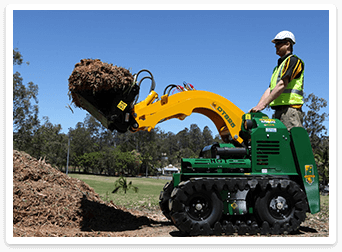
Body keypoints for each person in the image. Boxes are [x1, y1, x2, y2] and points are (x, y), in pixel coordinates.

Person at [249, 30, 305, 131]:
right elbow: (270, 89)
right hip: (279, 111)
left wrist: (263, 105)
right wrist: (257, 107)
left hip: (290, 111)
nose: (275, 46)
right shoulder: (277, 68)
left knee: (291, 143)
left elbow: (282, 84)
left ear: (288, 44)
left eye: (278, 43)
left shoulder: (293, 61)